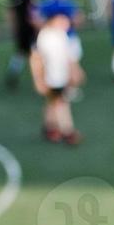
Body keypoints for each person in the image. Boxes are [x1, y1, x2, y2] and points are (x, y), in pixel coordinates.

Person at [30, 11, 83, 144]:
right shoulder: (45, 36)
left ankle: (49, 127)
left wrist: (74, 71)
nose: (67, 23)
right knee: (61, 102)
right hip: (51, 77)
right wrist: (38, 79)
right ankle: (68, 131)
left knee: (53, 102)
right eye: (63, 19)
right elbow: (36, 59)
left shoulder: (61, 34)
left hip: (60, 76)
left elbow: (67, 56)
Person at [4, 0, 37, 90]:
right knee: (34, 53)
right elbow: (34, 14)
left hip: (20, 30)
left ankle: (13, 73)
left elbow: (9, 13)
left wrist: (12, 26)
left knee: (20, 54)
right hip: (29, 30)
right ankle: (39, 76)